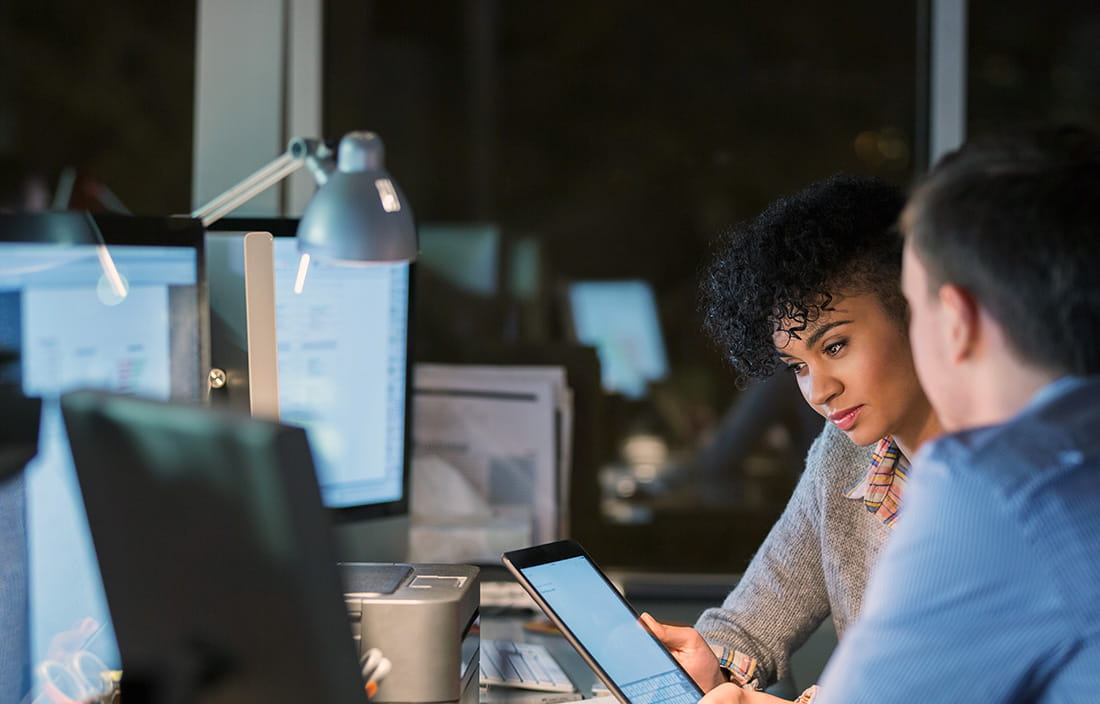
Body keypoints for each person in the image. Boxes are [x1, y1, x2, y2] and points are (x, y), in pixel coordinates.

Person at [701, 126, 1100, 704]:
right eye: (796, 364)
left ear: (953, 318)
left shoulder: (997, 491)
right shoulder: (1066, 449)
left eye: (921, 297)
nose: (819, 391)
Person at [644, 173, 941, 701]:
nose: (820, 392)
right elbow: (751, 624)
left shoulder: (1008, 486)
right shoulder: (846, 456)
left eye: (834, 347)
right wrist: (709, 667)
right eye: (796, 366)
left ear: (914, 311)